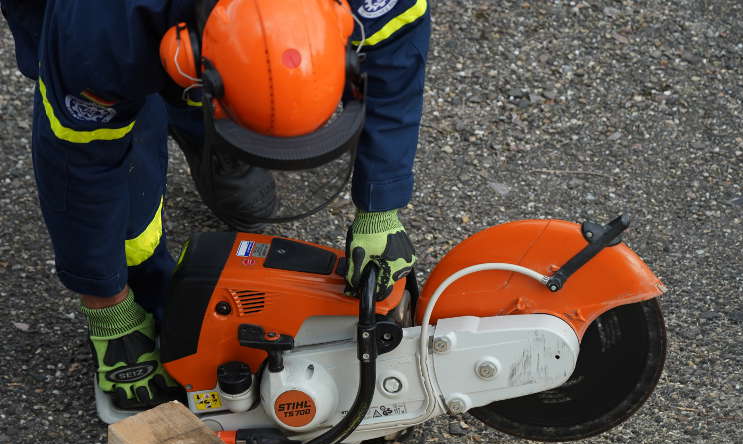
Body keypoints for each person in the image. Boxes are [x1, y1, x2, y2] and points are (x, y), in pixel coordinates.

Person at [1, 0, 430, 411]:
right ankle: (140, 291)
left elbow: (397, 56)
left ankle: (210, 134)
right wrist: (105, 300)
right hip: (109, 30)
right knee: (116, 116)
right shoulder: (97, 35)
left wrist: (380, 206)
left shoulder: (373, 4)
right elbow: (79, 161)